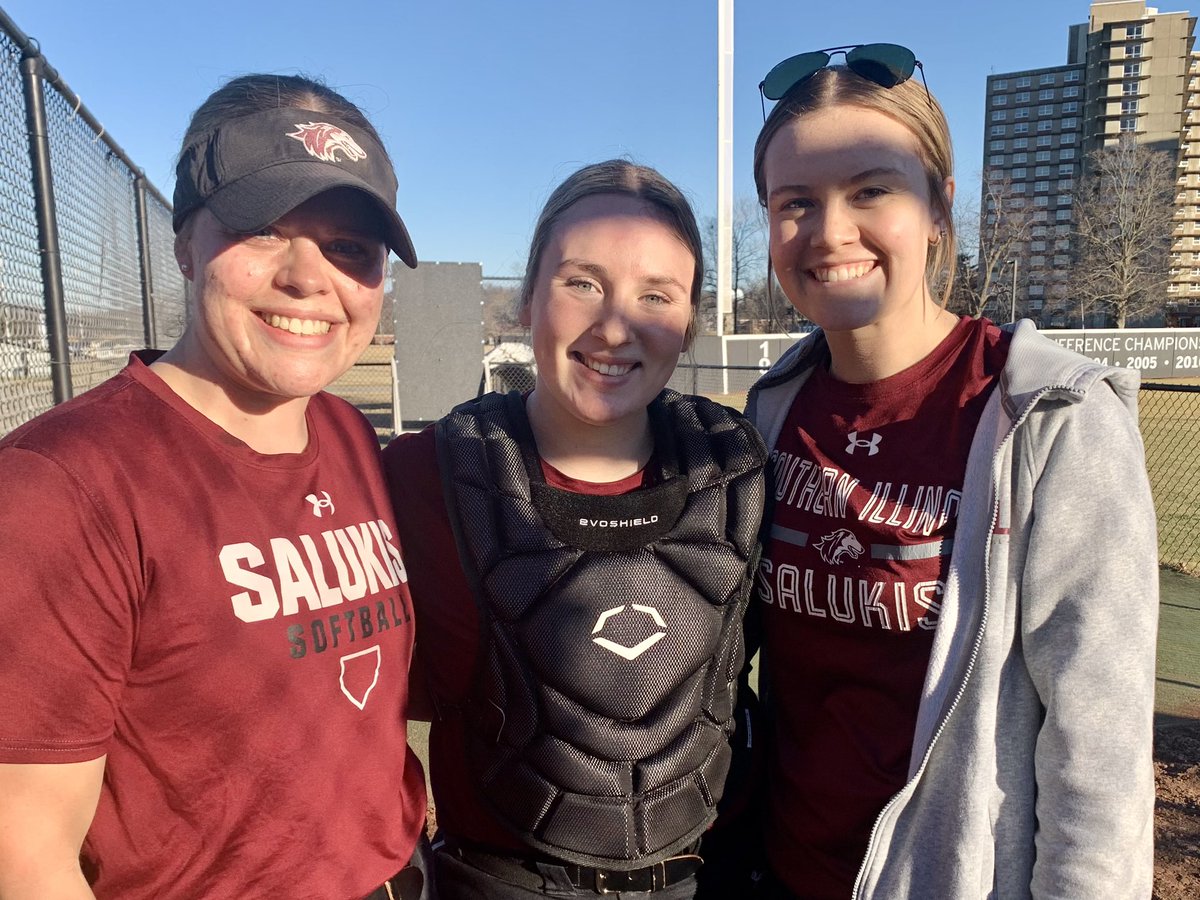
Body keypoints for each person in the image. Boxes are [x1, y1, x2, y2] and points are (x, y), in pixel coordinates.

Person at [743, 45, 1159, 899]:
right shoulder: (773, 411)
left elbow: (1099, 755)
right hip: (775, 874)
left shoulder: (1052, 419)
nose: (831, 232)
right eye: (796, 203)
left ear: (938, 207)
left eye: (871, 190)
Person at [0, 74, 430, 900]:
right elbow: (24, 857)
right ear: (185, 241)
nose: (309, 278)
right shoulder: (60, 487)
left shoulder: (345, 431)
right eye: (265, 229)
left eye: (350, 249)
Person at [384, 159, 768, 899]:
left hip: (703, 877)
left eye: (655, 295)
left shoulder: (739, 470)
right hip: (496, 880)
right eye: (582, 283)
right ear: (527, 298)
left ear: (688, 321)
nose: (614, 326)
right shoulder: (424, 475)